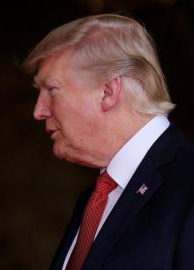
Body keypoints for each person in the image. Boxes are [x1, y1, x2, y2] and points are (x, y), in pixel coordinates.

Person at [23, 14, 194, 270]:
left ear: (108, 92)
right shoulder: (93, 200)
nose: (39, 111)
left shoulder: (188, 186)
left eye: (52, 90)